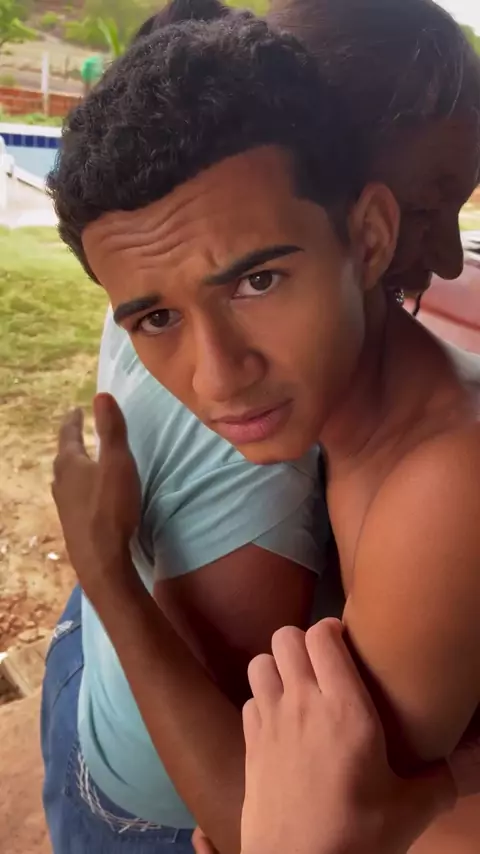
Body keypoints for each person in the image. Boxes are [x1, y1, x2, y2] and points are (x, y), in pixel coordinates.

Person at [46, 1, 480, 853]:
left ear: (367, 234)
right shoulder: (343, 413)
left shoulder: (439, 483)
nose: (215, 378)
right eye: (155, 319)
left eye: (259, 281)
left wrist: (105, 572)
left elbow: (279, 832)